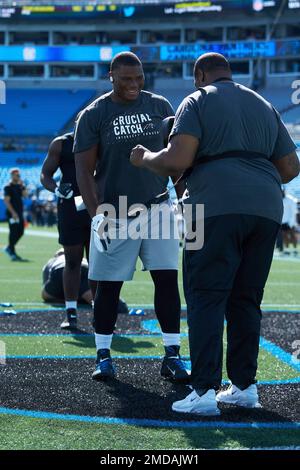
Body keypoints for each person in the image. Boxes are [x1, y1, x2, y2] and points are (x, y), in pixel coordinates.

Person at [130, 52, 299, 415]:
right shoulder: (263, 102)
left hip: (209, 206)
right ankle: (243, 387)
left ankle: (204, 391)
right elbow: (290, 167)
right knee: (246, 298)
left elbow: (176, 160)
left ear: (199, 75)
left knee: (205, 295)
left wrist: (144, 157)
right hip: (266, 208)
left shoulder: (197, 99)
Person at [74, 51, 189, 383]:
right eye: (126, 79)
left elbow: (176, 160)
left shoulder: (160, 106)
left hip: (157, 207)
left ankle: (172, 355)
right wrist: (97, 215)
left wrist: (183, 202)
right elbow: (84, 170)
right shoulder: (94, 114)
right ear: (111, 76)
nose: (134, 84)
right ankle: (104, 356)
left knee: (167, 280)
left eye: (139, 78)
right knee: (108, 286)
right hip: (115, 210)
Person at [40, 132, 92, 329]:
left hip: (98, 205)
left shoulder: (103, 138)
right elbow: (45, 174)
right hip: (70, 207)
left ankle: (100, 312)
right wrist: (56, 188)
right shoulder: (62, 143)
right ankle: (70, 312)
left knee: (98, 263)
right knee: (72, 261)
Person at [3, 168, 27, 261]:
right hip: (12, 213)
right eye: (17, 175)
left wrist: (23, 186)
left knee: (21, 231)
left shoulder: (19, 186)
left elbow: (25, 195)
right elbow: (6, 201)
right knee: (13, 231)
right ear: (12, 175)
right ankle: (12, 252)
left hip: (19, 213)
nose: (18, 177)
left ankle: (9, 248)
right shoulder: (8, 187)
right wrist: (13, 213)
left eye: (19, 175)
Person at [281, 189, 298, 255]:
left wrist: (291, 223)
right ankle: (287, 250)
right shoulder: (280, 199)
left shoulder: (291, 199)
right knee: (284, 236)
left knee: (292, 236)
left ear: (284, 191)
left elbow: (294, 212)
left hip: (290, 222)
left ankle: (295, 250)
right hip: (283, 221)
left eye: (282, 191)